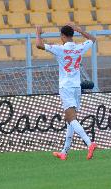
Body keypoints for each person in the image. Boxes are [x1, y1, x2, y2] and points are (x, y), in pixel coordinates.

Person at [35, 23, 97, 160]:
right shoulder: (80, 47)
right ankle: (64, 151)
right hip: (76, 87)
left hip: (66, 87)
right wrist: (80, 30)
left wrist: (38, 33)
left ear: (63, 36)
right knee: (69, 119)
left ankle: (89, 143)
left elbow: (39, 45)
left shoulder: (60, 49)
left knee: (71, 118)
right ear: (72, 34)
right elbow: (93, 39)